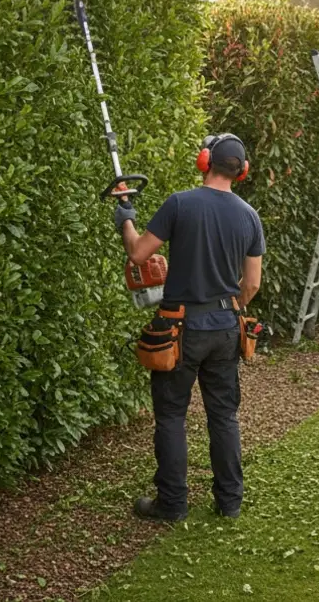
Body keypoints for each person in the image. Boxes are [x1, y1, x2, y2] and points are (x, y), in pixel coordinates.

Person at [114, 133, 264, 521]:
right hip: (227, 326)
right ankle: (229, 502)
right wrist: (230, 308)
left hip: (179, 328)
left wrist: (126, 218)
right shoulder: (249, 215)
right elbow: (252, 284)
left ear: (205, 161)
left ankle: (173, 504)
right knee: (224, 416)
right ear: (241, 171)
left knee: (171, 417)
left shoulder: (180, 203)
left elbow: (138, 254)